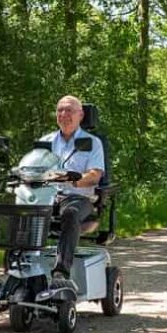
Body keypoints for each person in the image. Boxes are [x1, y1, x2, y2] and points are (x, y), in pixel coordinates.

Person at [39, 96, 104, 288]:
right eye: (60, 110)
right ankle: (18, 267)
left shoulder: (92, 142)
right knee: (22, 209)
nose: (64, 115)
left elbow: (94, 175)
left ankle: (61, 272)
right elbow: (32, 168)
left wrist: (73, 180)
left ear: (81, 115)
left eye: (69, 111)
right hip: (48, 196)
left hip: (78, 197)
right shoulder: (45, 142)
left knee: (70, 213)